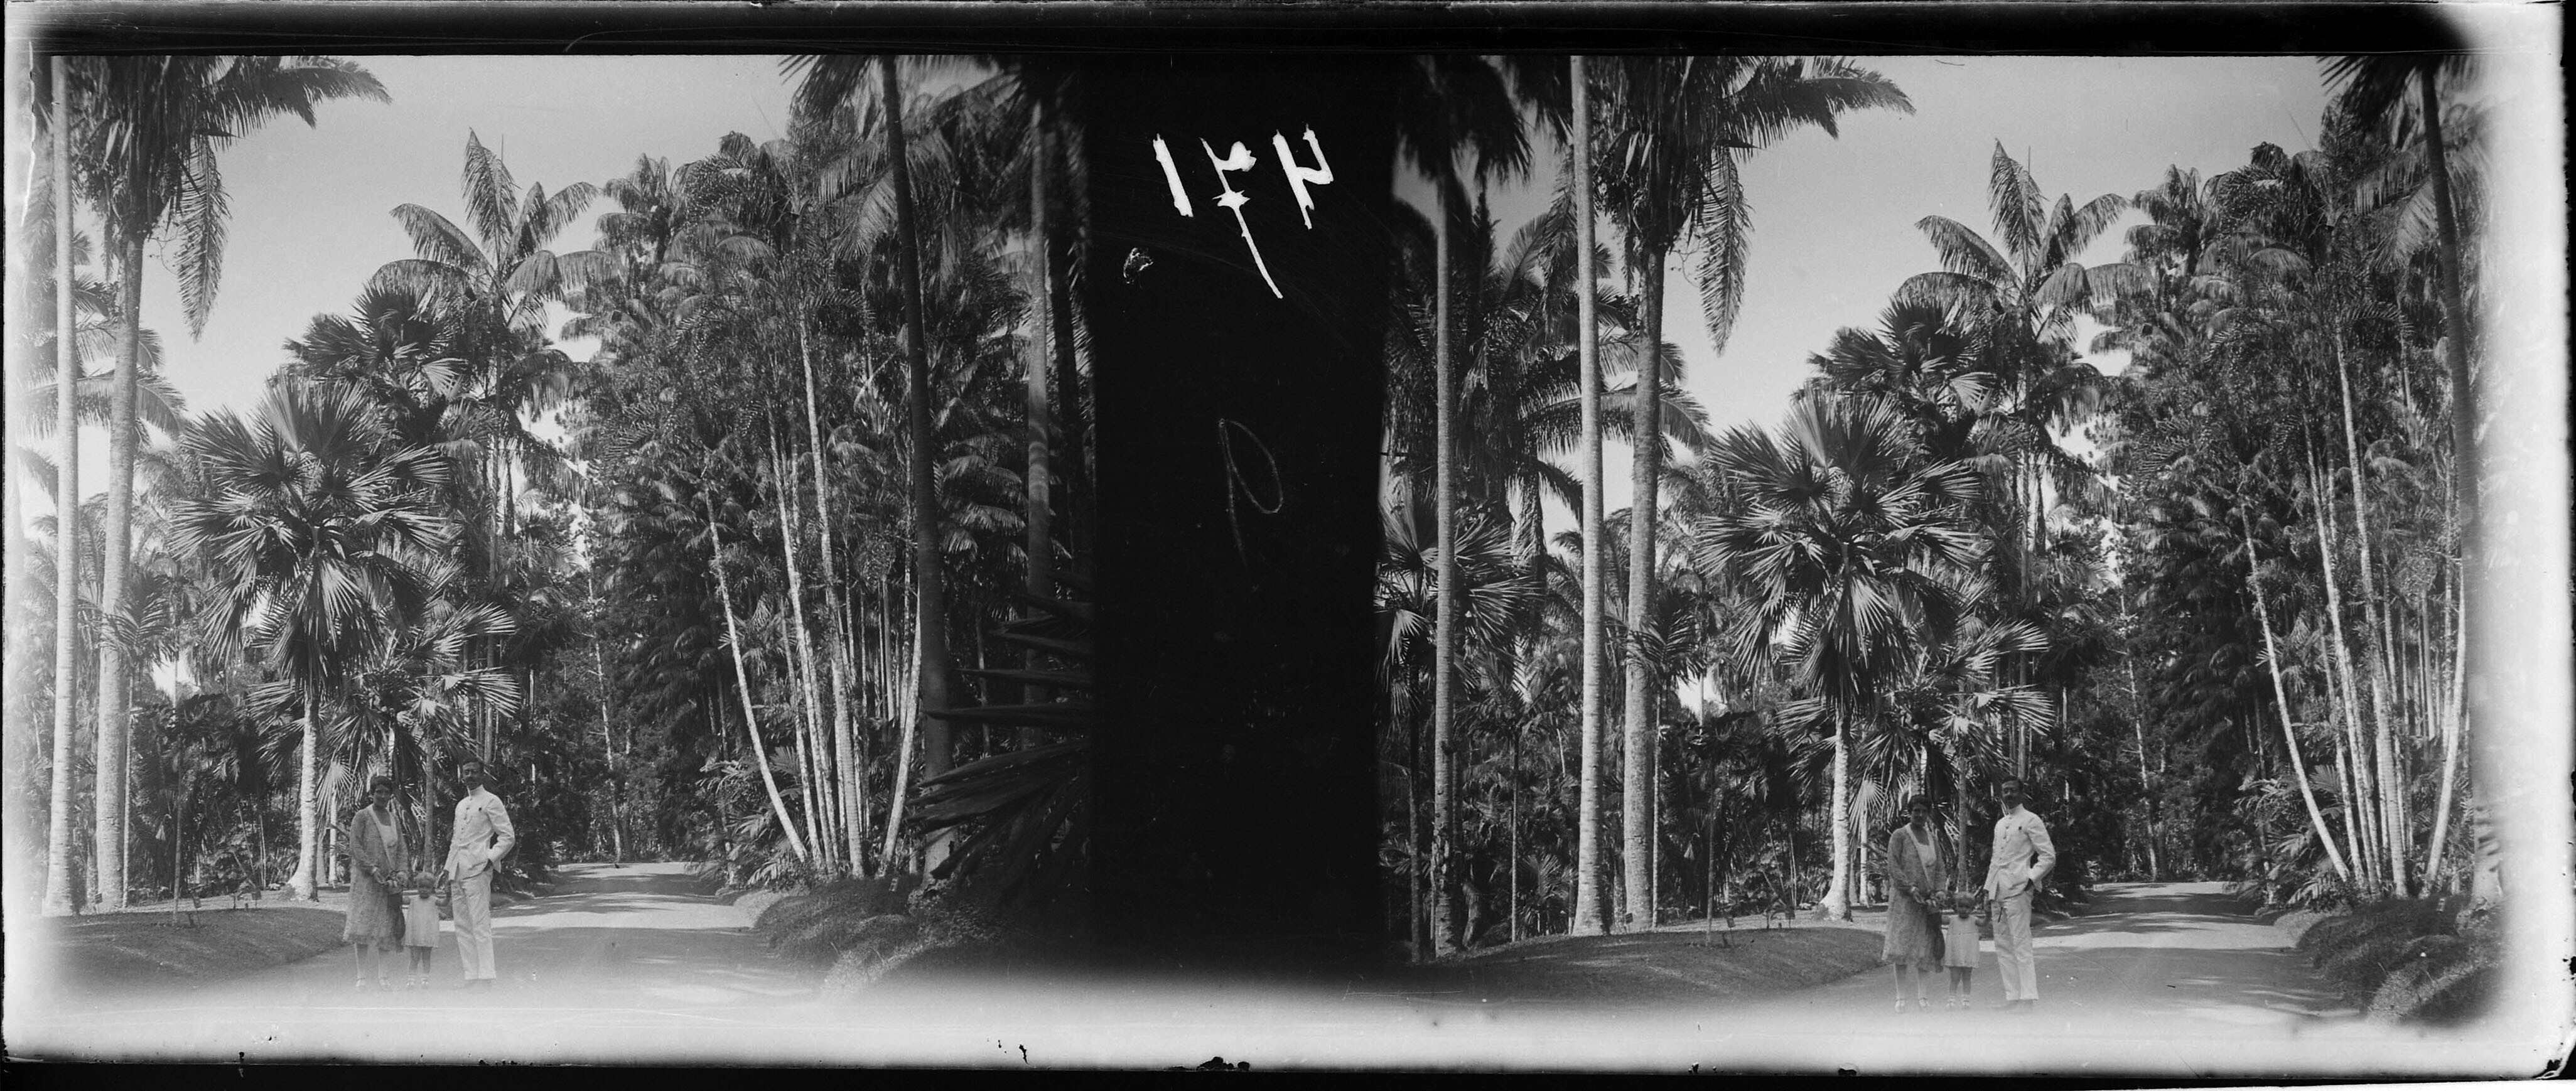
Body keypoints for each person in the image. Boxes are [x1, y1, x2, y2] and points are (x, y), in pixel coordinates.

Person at [437, 759, 515, 990]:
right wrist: (447, 869)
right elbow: (456, 840)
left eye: (474, 772)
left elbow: (508, 836)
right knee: (462, 926)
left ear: (482, 775)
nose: (469, 776)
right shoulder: (461, 805)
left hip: (478, 870)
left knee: (480, 925)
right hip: (458, 871)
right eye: (466, 772)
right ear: (462, 776)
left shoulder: (491, 801)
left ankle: (486, 977)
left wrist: (490, 859)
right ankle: (471, 976)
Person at [1981, 776, 2056, 1013]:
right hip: (1998, 891)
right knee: (2003, 945)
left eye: (2013, 790)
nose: (2009, 795)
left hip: (2019, 890)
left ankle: (2028, 998)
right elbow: (1995, 860)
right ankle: (2012, 996)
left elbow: (2048, 856)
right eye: (2005, 791)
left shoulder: (2031, 820)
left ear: (2022, 794)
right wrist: (1988, 890)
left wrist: (2031, 879)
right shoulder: (2000, 824)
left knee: (2021, 944)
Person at [339, 776, 409, 991]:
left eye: (386, 793)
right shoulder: (362, 816)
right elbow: (356, 846)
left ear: (391, 795)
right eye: (379, 792)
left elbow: (401, 849)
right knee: (362, 927)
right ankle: (361, 977)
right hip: (366, 881)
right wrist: (372, 869)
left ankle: (383, 977)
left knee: (386, 928)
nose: (382, 796)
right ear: (371, 793)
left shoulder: (394, 819)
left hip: (389, 882)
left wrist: (402, 872)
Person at [1880, 794, 1946, 1013]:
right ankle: (1901, 998)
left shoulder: (1933, 839)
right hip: (1904, 900)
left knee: (1924, 948)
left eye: (1924, 811)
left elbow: (1940, 868)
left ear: (1929, 814)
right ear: (1909, 812)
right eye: (1916, 811)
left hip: (1927, 903)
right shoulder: (1900, 836)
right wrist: (1910, 888)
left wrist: (1940, 891)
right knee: (1901, 947)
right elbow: (1893, 865)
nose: (1920, 815)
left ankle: (1923, 997)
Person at [1939, 888, 1983, 1009]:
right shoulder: (1952, 919)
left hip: (1969, 953)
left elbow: (1984, 923)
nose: (1964, 910)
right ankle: (1951, 1000)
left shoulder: (1974, 920)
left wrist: (1989, 914)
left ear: (1972, 908)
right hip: (1955, 954)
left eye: (1967, 907)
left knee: (1967, 977)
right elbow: (1940, 919)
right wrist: (1937, 908)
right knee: (1954, 978)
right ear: (1956, 907)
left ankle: (1966, 1000)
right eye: (1961, 907)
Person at [400, 869, 440, 989]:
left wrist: (449, 894)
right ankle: (411, 980)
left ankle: (425, 979)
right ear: (417, 887)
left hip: (428, 933)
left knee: (426, 958)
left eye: (427, 887)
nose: (424, 890)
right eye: (421, 887)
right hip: (415, 934)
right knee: (414, 957)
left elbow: (444, 903)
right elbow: (401, 900)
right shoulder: (413, 900)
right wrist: (398, 888)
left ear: (432, 888)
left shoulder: (434, 900)